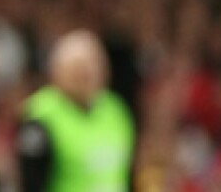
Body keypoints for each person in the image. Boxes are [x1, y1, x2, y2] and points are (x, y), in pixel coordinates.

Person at [15, 29, 135, 192]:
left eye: (95, 65)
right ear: (58, 72)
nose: (89, 74)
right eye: (79, 68)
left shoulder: (116, 110)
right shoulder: (41, 115)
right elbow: (31, 182)